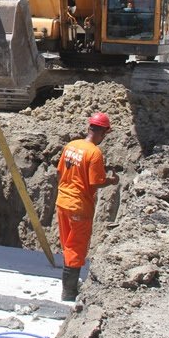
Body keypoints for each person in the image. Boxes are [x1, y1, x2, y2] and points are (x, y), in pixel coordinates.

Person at [55, 111, 120, 301]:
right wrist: (111, 181)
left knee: (67, 243)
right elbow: (94, 183)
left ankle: (69, 285)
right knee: (77, 247)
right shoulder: (94, 153)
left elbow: (60, 173)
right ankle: (69, 292)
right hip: (79, 207)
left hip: (62, 202)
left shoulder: (71, 145)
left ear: (89, 128)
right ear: (103, 133)